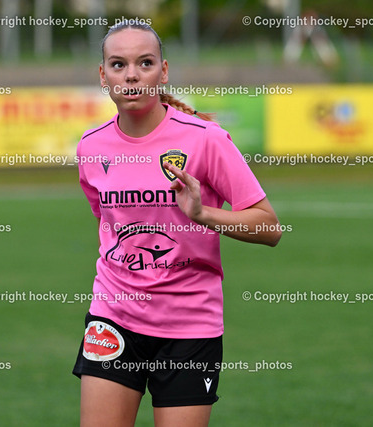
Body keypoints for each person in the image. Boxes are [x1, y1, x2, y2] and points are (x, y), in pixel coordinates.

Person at [72, 20, 282, 427]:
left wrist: (204, 214)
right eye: (118, 65)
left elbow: (269, 228)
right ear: (103, 76)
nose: (131, 75)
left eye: (144, 63)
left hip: (189, 326)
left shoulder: (206, 140)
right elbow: (108, 226)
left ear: (163, 71)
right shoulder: (91, 146)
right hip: (114, 318)